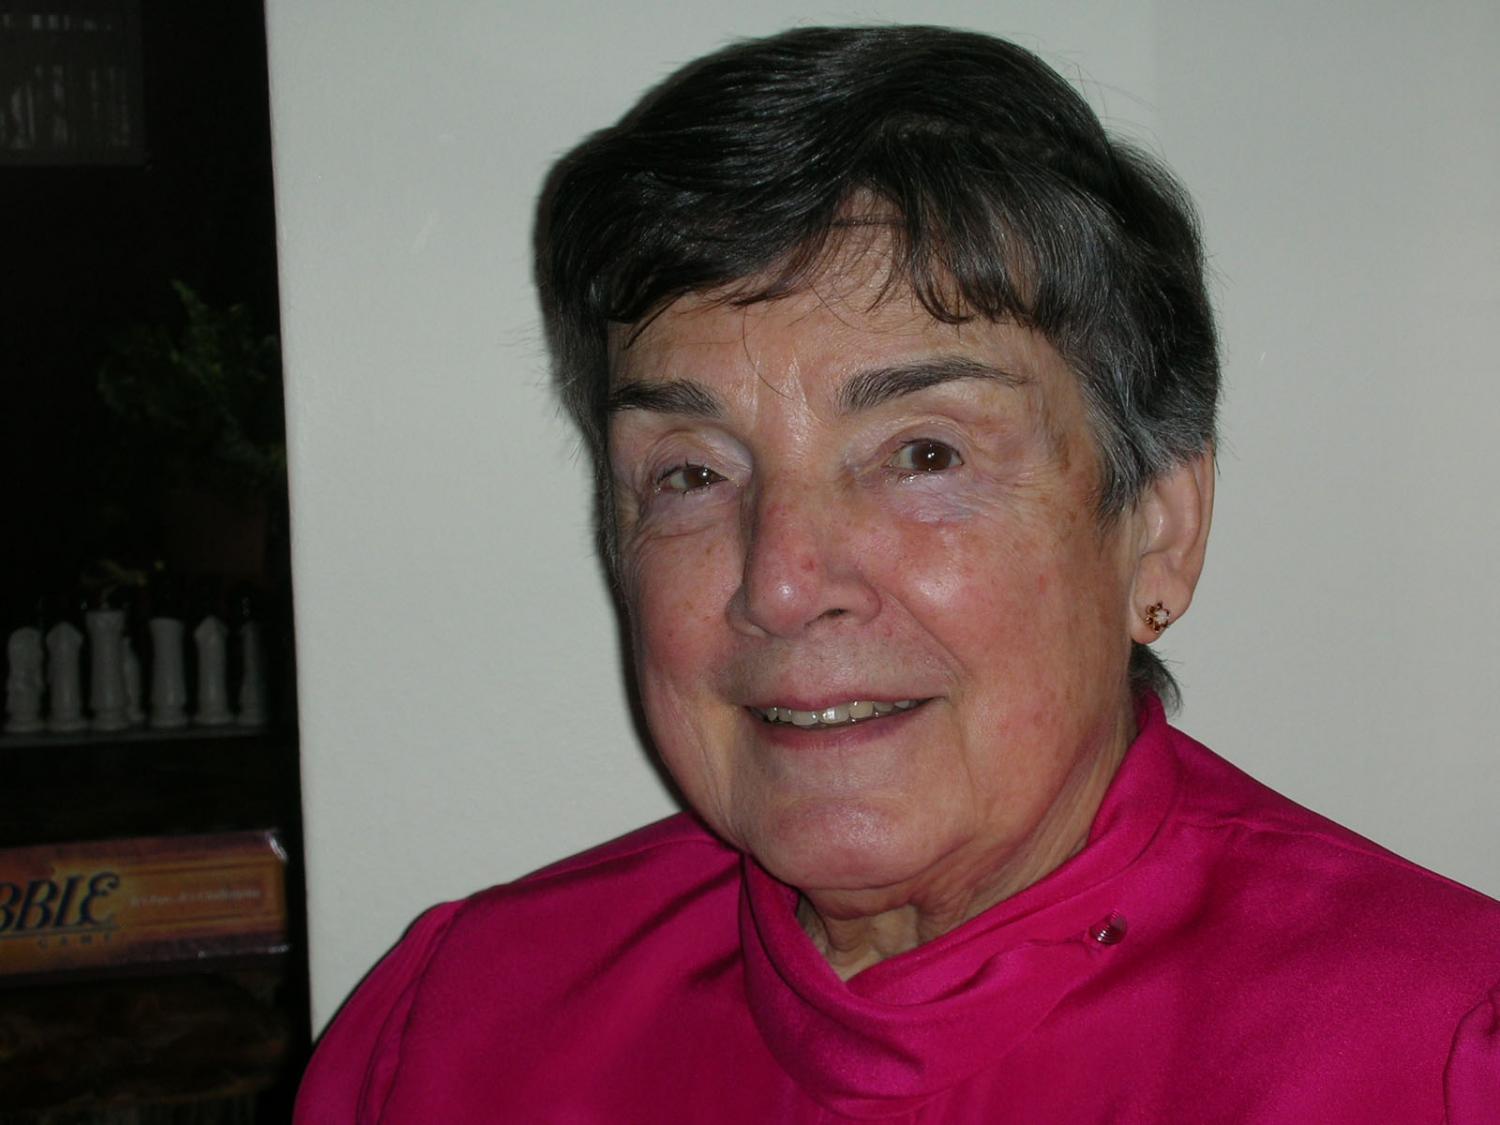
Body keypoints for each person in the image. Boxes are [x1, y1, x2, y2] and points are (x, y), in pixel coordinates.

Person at [294, 26, 1500, 1121]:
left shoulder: (1435, 1054)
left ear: (1160, 530)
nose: (780, 582)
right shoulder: (461, 1031)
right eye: (692, 474)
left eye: (924, 454)